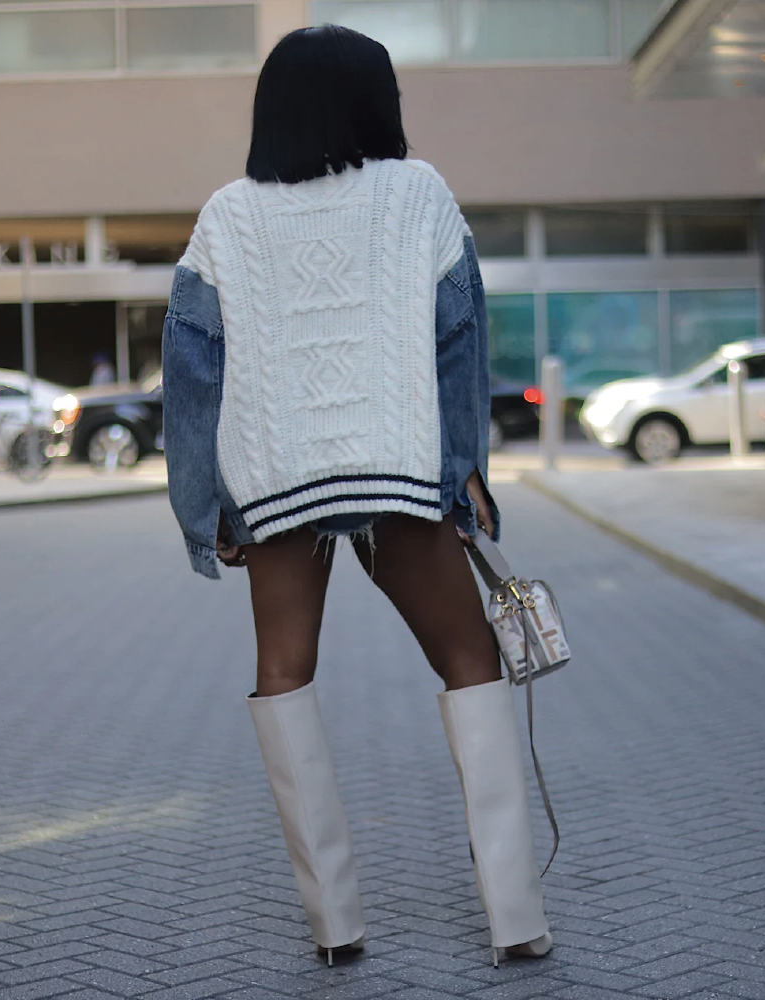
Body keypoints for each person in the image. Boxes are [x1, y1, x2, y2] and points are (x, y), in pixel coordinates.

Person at [162, 25, 551, 968]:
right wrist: (464, 472)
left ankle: (336, 928)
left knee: (284, 672)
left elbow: (191, 367)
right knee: (469, 660)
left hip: (277, 476)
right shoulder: (418, 194)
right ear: (378, 102)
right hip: (400, 471)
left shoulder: (226, 215)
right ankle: (515, 914)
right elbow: (460, 335)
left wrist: (202, 505)